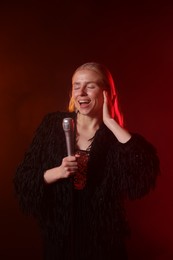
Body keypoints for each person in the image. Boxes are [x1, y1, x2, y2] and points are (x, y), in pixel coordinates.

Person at [14, 62, 160, 260]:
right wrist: (58, 172)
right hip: (60, 243)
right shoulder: (51, 126)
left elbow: (144, 174)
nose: (81, 92)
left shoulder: (115, 138)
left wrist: (111, 123)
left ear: (106, 93)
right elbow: (23, 180)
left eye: (90, 86)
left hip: (104, 245)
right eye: (76, 85)